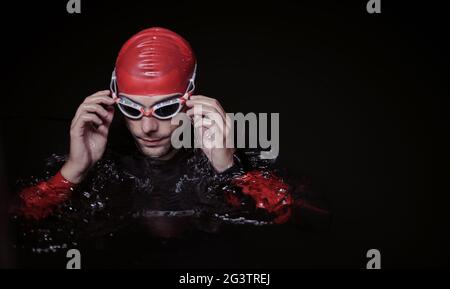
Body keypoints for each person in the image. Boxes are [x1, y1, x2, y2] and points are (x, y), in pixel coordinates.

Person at [10, 27, 329, 268]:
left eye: (164, 110)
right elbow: (17, 227)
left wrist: (229, 170)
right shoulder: (103, 156)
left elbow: (309, 220)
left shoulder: (227, 148)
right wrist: (74, 171)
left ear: (190, 99)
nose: (147, 127)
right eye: (133, 110)